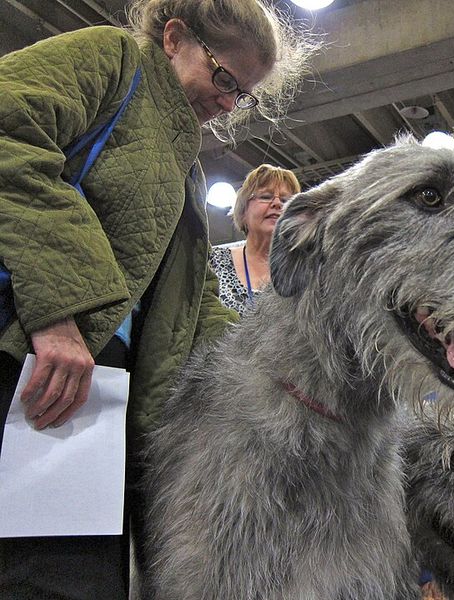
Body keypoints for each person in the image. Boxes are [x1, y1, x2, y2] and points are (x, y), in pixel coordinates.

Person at [0, 1, 313, 598]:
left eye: (241, 96)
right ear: (174, 37)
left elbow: (191, 300)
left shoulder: (185, 169)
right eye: (224, 79)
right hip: (30, 355)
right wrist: (59, 316)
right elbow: (8, 132)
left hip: (94, 387)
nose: (227, 104)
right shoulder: (110, 59)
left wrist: (278, 376)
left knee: (77, 578)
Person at [210, 164, 301, 314]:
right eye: (266, 196)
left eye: (286, 200)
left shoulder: (305, 271)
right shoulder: (213, 262)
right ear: (243, 211)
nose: (277, 203)